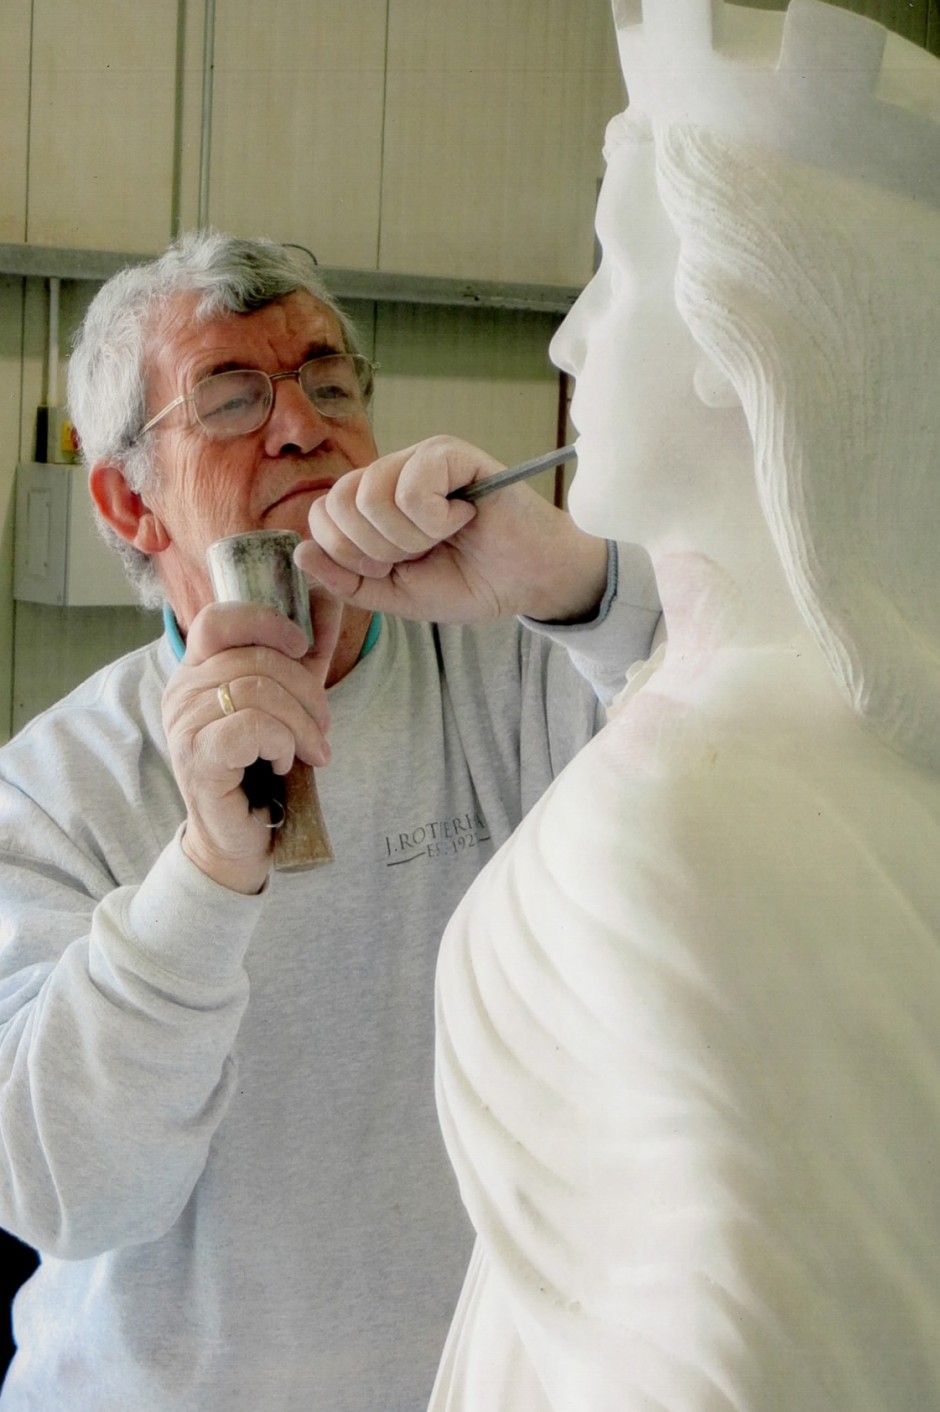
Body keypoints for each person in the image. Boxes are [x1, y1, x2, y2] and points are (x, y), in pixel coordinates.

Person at [0, 229, 661, 1410]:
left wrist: (583, 587)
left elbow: (771, 760)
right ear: (129, 499)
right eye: (231, 396)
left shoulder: (517, 676)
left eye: (330, 382)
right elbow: (66, 1184)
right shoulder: (50, 786)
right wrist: (206, 871)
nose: (302, 425)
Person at [429, 1, 940, 1408]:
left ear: (738, 323)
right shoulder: (875, 741)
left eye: (612, 269)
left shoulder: (670, 815)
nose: (570, 337)